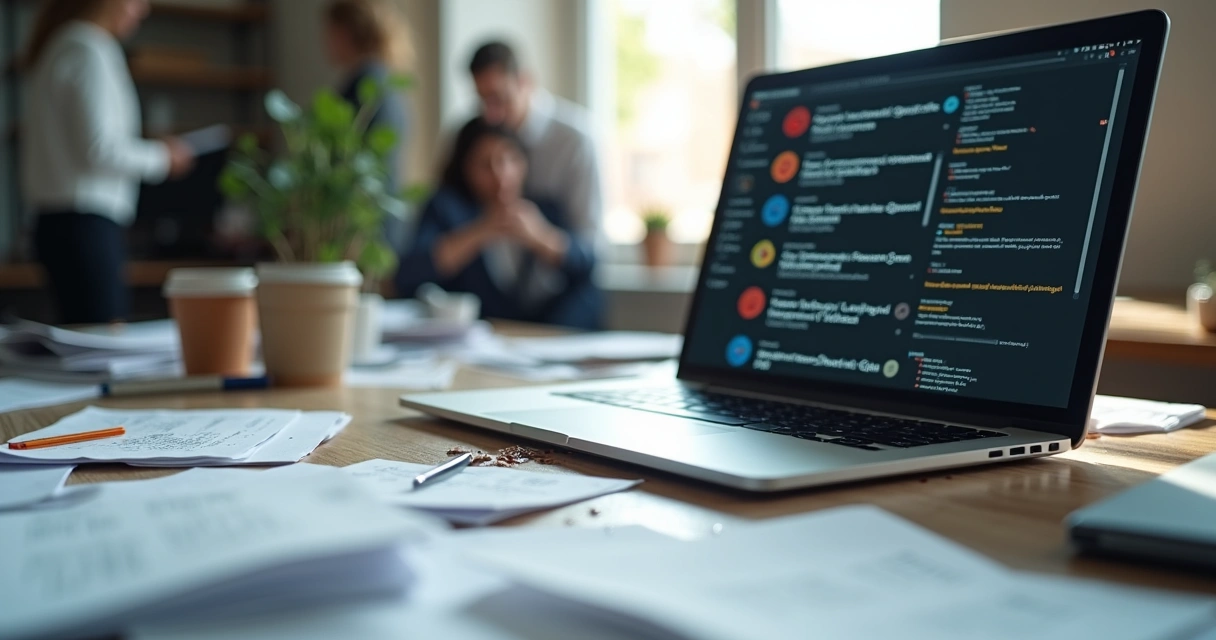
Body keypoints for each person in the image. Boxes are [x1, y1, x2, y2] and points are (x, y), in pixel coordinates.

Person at [21, 0, 194, 325]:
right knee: (103, 340)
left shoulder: (62, 45)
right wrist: (163, 157)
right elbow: (100, 149)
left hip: (60, 224)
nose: (142, 10)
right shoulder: (88, 49)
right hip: (85, 225)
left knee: (85, 339)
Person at [397, 118, 602, 329]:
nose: (500, 174)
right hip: (478, 333)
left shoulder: (544, 210)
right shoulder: (447, 209)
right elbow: (409, 274)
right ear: (465, 168)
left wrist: (541, 237)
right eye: (485, 164)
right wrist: (481, 231)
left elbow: (588, 264)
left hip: (549, 334)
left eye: (510, 159)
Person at [466, 41, 602, 263]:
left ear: (525, 81)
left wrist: (542, 236)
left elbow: (591, 244)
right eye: (483, 101)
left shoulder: (575, 141)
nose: (491, 115)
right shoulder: (475, 134)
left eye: (499, 98)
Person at [324, 0, 412, 254]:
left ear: (344, 32)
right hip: (383, 224)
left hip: (364, 230)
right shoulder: (387, 81)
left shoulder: (366, 85)